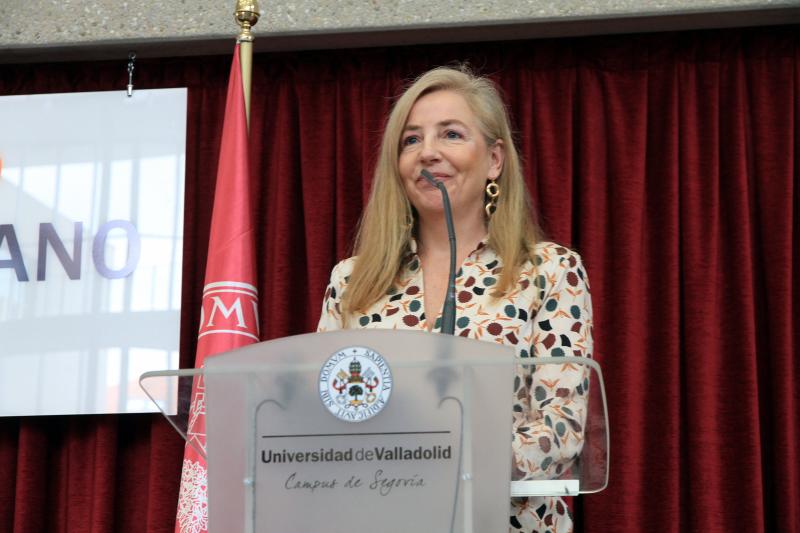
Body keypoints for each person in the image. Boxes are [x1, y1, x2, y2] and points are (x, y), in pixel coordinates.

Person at [317, 66, 593, 533]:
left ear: (494, 160)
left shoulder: (548, 270)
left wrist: (452, 462)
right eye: (411, 140)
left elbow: (561, 424)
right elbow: (323, 417)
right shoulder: (352, 280)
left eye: (451, 134)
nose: (428, 152)